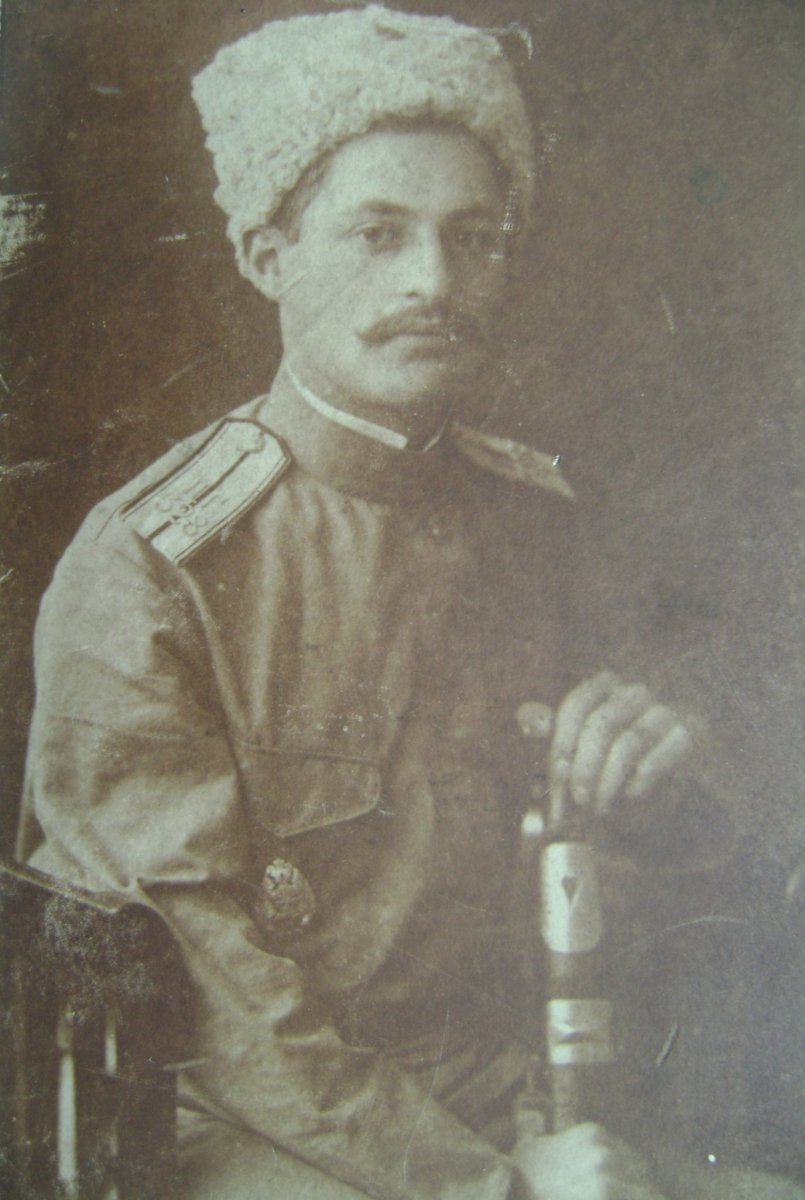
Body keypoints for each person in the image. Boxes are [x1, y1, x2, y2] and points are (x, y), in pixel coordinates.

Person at [17, 7, 803, 1199]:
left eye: (473, 239)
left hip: (534, 1107)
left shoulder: (537, 521)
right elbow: (206, 1005)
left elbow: (644, 892)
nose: (433, 282)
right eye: (377, 234)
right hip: (258, 1145)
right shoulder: (150, 568)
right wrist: (497, 1188)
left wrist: (661, 784)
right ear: (266, 256)